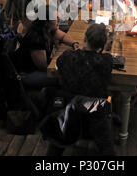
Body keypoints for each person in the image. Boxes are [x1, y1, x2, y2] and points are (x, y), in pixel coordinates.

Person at [49, 23, 115, 156]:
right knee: (108, 99)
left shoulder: (67, 56)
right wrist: (104, 49)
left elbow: (59, 66)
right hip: (96, 110)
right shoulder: (107, 61)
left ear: (84, 38)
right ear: (103, 44)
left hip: (69, 107)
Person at [13, 6, 78, 89]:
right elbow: (43, 67)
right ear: (46, 22)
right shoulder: (36, 38)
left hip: (39, 68)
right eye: (55, 18)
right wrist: (62, 71)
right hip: (27, 74)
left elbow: (63, 37)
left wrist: (74, 43)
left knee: (68, 68)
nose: (59, 20)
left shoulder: (49, 29)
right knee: (64, 78)